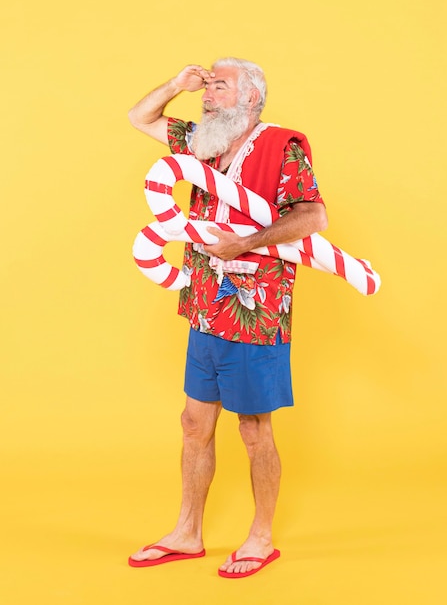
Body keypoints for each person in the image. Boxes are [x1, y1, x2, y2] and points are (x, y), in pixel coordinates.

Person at [127, 58, 328, 578]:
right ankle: (187, 532)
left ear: (252, 98)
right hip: (204, 302)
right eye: (208, 84)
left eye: (220, 85)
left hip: (255, 307)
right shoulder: (203, 142)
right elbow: (140, 118)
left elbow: (313, 216)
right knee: (194, 423)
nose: (208, 92)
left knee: (254, 429)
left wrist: (246, 242)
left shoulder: (282, 146)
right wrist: (176, 83)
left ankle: (261, 537)